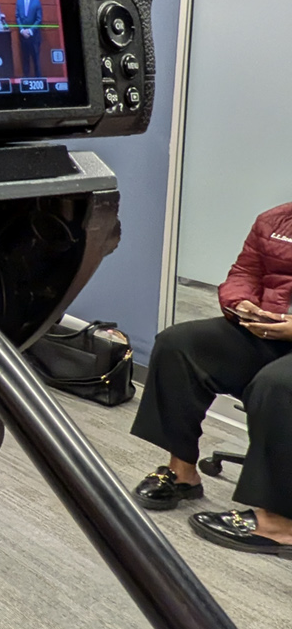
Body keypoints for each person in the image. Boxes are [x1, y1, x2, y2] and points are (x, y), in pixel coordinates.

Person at [129, 202, 292, 557]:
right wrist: (243, 305)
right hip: (271, 331)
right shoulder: (275, 220)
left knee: (278, 384)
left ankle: (279, 524)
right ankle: (183, 473)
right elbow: (243, 274)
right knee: (178, 345)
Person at [14, 0, 43, 78]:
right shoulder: (19, 1)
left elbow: (39, 20)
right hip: (23, 37)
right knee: (25, 62)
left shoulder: (36, 1)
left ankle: (39, 83)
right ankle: (26, 83)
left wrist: (30, 31)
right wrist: (22, 30)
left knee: (36, 62)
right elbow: (17, 17)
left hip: (34, 37)